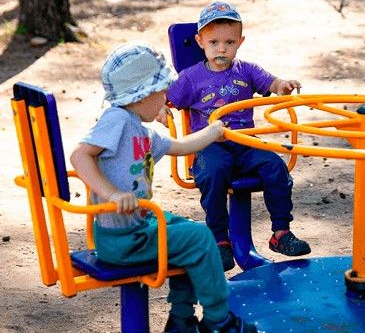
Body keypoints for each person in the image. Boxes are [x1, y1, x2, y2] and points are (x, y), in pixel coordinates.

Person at [70, 42, 257, 333]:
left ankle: (181, 320)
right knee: (197, 238)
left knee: (192, 233)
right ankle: (220, 321)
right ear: (143, 94)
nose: (166, 97)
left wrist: (213, 132)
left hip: (138, 228)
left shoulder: (141, 131)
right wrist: (112, 194)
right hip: (122, 240)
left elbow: (180, 146)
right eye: (161, 91)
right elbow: (80, 155)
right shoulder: (117, 119)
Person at [165, 1, 311, 272]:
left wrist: (282, 85)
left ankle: (281, 232)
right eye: (214, 42)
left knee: (274, 165)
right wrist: (161, 109)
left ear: (240, 42)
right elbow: (168, 99)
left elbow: (272, 83)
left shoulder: (247, 70)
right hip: (210, 146)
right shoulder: (190, 78)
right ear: (200, 41)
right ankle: (220, 239)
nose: (221, 49)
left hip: (245, 143)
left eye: (229, 42)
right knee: (214, 170)